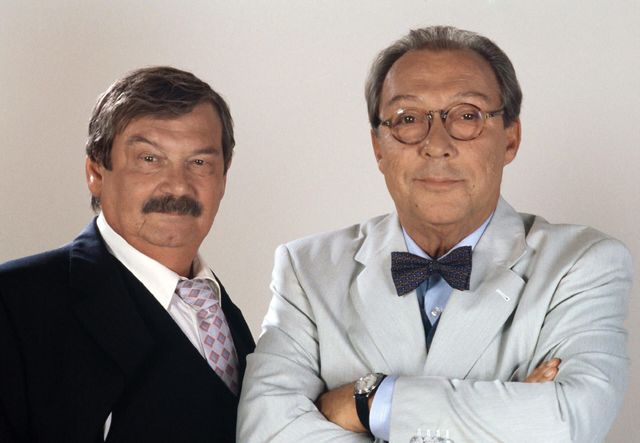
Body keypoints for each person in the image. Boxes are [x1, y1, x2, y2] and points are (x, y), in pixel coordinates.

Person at [237, 26, 632, 442]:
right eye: (408, 119)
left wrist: (366, 401)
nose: (436, 144)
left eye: (467, 116)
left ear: (510, 139)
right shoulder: (308, 269)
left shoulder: (582, 264)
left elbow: (567, 421)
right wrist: (510, 414)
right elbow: (267, 431)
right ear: (378, 147)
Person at [0, 66, 255, 442]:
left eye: (199, 163)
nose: (177, 186)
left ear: (223, 178)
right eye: (149, 159)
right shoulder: (14, 304)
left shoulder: (225, 313)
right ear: (95, 172)